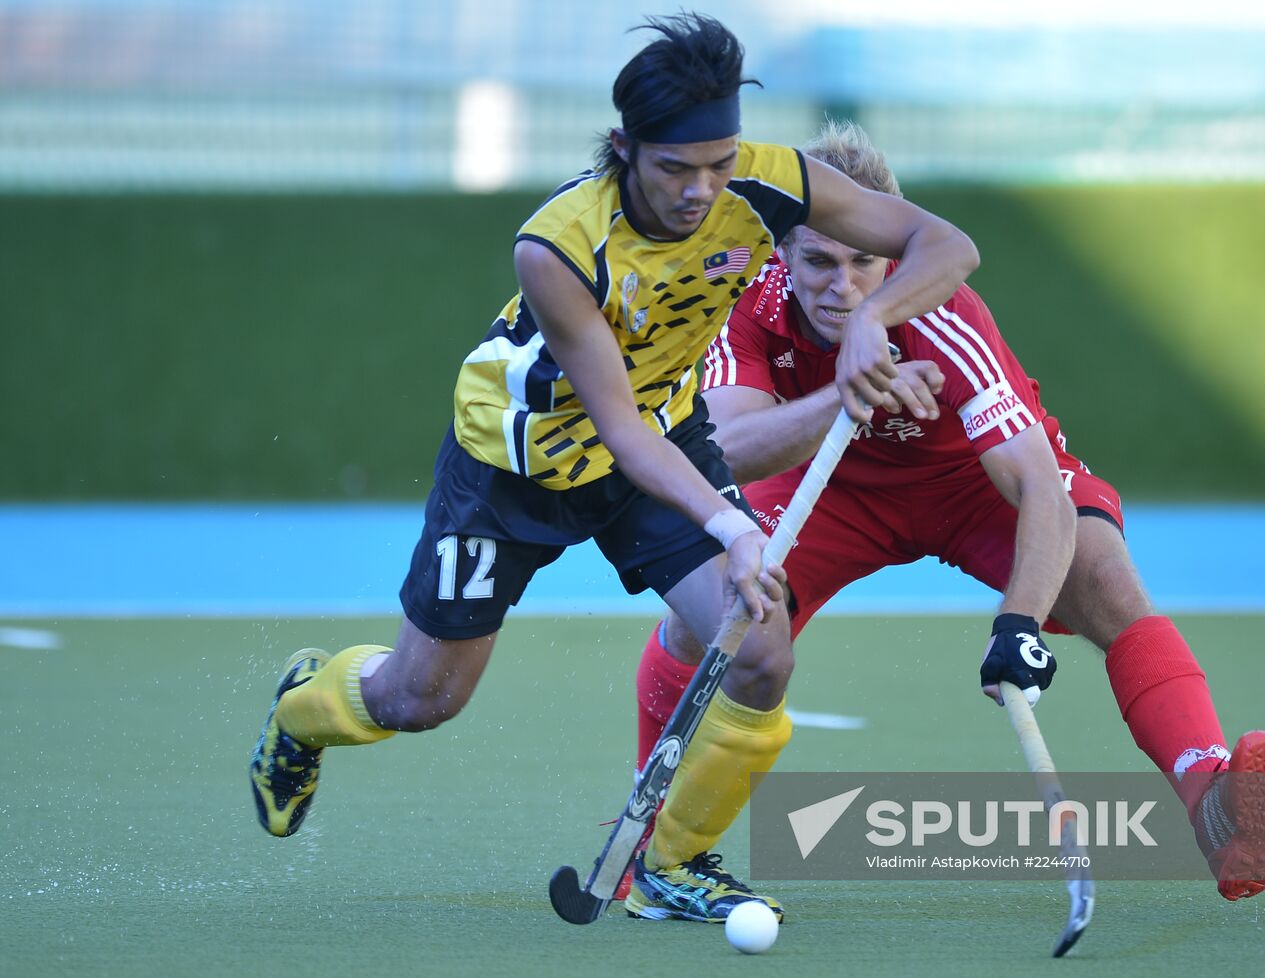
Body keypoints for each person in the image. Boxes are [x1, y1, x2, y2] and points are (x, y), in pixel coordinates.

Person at [247, 11, 980, 920]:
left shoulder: (770, 182)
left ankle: (672, 865)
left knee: (760, 651)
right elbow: (621, 435)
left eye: (719, 164)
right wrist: (732, 524)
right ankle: (301, 709)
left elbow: (947, 244)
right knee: (421, 698)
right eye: (675, 169)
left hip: (663, 430)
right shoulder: (558, 247)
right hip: (519, 463)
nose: (701, 191)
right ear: (625, 148)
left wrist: (873, 318)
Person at [623, 120, 1265, 922]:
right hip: (827, 485)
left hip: (968, 485)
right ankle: (649, 840)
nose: (843, 287)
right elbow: (729, 448)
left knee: (1106, 581)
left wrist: (1020, 623)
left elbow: (1039, 486)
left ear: (892, 253)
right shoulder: (745, 299)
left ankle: (1211, 801)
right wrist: (846, 394)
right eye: (819, 262)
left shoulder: (945, 311)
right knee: (722, 613)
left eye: (864, 262)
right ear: (783, 254)